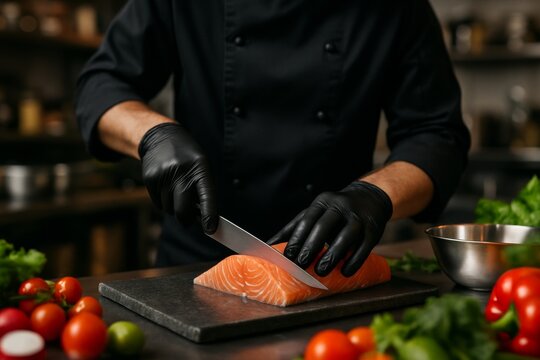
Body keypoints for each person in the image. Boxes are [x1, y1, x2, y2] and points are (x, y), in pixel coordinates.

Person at [75, 0, 470, 277]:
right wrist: (153, 134)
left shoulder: (397, 7)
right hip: (194, 258)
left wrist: (374, 196)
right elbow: (102, 84)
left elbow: (437, 135)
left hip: (326, 263)